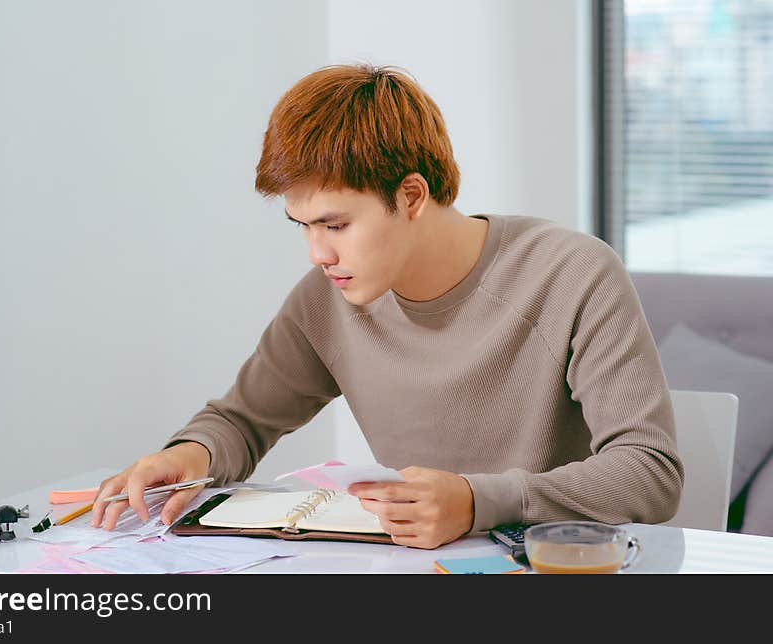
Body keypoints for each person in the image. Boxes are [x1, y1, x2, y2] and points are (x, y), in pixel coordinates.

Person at [90, 63, 684, 549]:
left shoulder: (569, 274)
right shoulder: (327, 301)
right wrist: (187, 456)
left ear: (411, 194)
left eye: (337, 224)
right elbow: (241, 421)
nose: (319, 253)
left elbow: (649, 471)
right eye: (303, 226)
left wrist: (479, 501)